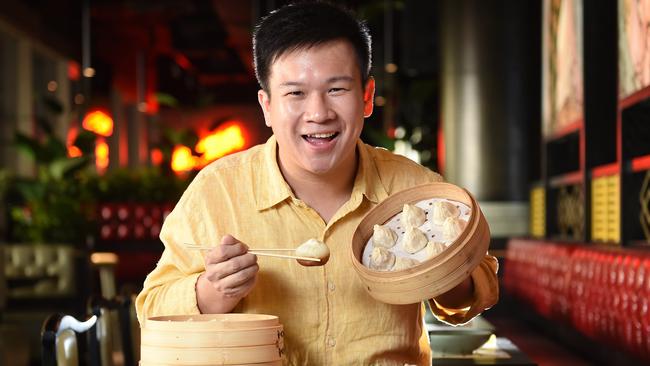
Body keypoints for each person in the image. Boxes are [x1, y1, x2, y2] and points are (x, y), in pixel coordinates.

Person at [136, 1, 498, 364]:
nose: (319, 113)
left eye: (337, 89)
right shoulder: (217, 191)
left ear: (367, 96)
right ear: (267, 106)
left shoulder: (415, 189)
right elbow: (151, 310)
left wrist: (440, 266)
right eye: (295, 93)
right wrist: (212, 292)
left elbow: (471, 299)